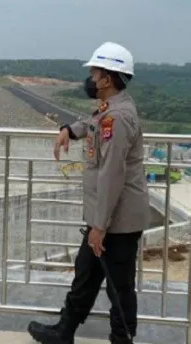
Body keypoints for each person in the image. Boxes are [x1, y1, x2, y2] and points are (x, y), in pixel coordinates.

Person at [27, 42, 150, 344]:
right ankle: (64, 331)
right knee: (85, 275)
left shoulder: (119, 118)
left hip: (116, 222)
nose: (91, 79)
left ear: (107, 79)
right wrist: (69, 129)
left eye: (95, 73)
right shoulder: (111, 111)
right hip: (105, 217)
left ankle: (122, 339)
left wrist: (99, 227)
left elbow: (112, 175)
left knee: (119, 287)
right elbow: (93, 124)